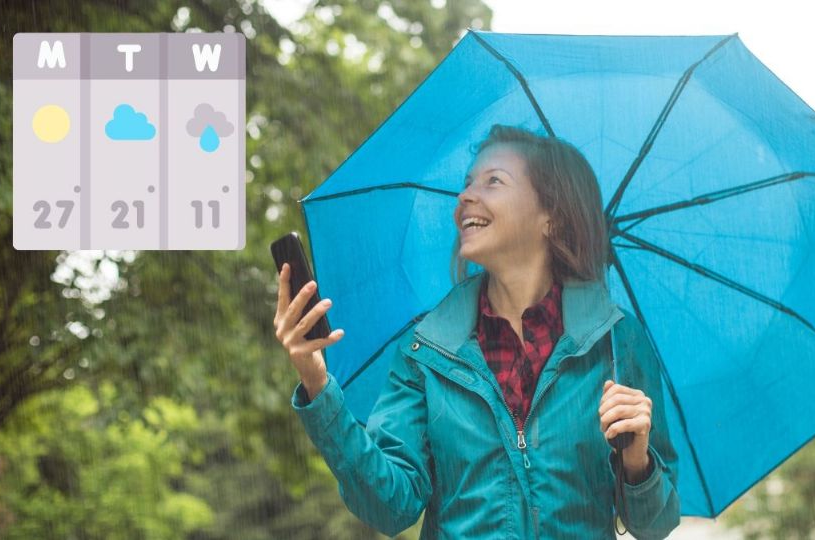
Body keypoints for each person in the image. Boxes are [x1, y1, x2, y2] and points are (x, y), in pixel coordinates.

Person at [274, 124, 681, 539]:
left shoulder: (618, 342)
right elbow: (389, 506)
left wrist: (636, 460)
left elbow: (655, 524)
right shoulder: (425, 351)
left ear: (550, 217)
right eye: (467, 183)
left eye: (493, 181)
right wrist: (316, 382)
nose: (465, 196)